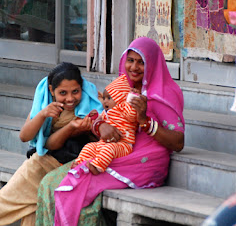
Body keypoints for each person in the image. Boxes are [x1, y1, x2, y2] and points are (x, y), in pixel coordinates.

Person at [36, 37, 185, 226]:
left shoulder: (164, 93)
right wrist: (100, 125)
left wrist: (145, 121)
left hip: (143, 161)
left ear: (153, 63)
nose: (134, 67)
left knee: (72, 190)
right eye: (130, 60)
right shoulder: (121, 88)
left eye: (141, 62)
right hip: (108, 152)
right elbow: (105, 116)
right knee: (48, 183)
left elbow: (178, 143)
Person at [0, 62, 103, 226]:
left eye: (75, 91)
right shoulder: (44, 104)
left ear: (81, 88)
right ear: (51, 91)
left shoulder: (90, 107)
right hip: (40, 164)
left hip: (66, 166)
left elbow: (53, 144)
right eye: (63, 93)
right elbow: (24, 136)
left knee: (31, 209)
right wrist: (43, 114)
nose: (70, 98)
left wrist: (73, 128)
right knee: (4, 204)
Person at [72, 74, 139, 175]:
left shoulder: (124, 110)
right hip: (103, 143)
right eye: (104, 98)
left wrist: (131, 99)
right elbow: (97, 123)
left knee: (109, 149)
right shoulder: (105, 112)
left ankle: (97, 167)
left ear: (119, 98)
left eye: (109, 98)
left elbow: (132, 115)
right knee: (89, 147)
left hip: (123, 145)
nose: (105, 101)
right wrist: (93, 117)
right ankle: (79, 163)